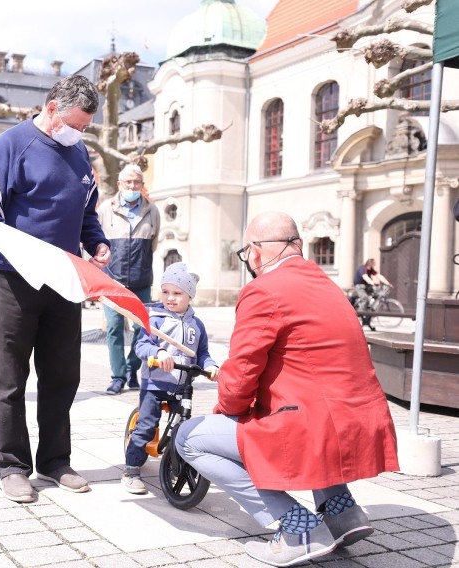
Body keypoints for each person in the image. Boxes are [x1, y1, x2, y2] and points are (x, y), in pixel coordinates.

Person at [175, 211, 399, 567]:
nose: (247, 261)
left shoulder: (263, 290)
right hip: (357, 418)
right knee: (306, 421)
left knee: (190, 437)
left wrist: (228, 414)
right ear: (298, 245)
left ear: (256, 252)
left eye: (245, 253)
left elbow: (241, 373)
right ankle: (343, 514)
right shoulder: (329, 286)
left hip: (311, 426)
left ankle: (297, 528)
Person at [0, 74, 111, 503]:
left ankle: (55, 461)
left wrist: (97, 241)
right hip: (15, 281)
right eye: (76, 124)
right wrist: (20, 260)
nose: (80, 133)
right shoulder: (11, 146)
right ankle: (12, 466)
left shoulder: (79, 152)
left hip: (64, 279)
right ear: (51, 109)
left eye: (86, 127)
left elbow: (86, 211)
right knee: (12, 378)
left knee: (62, 376)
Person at [122, 262, 218, 494]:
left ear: (190, 296)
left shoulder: (197, 325)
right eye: (165, 291)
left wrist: (210, 365)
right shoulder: (155, 318)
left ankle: (177, 461)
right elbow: (142, 345)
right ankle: (131, 469)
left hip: (182, 385)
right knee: (146, 426)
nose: (170, 298)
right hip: (155, 383)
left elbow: (202, 353)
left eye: (177, 293)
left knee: (183, 427)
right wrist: (158, 352)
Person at [98, 163, 161, 395]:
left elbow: (153, 244)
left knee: (142, 328)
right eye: (128, 182)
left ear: (142, 185)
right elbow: (98, 242)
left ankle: (131, 369)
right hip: (112, 281)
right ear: (119, 184)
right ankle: (117, 376)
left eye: (136, 182)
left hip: (141, 281)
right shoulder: (106, 209)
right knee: (114, 328)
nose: (132, 186)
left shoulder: (152, 211)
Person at [352, 258, 392, 331]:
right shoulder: (363, 268)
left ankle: (370, 310)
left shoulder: (371, 270)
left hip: (367, 286)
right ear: (370, 263)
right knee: (365, 298)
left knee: (377, 295)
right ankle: (360, 313)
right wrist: (373, 283)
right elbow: (365, 277)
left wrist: (388, 283)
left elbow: (379, 276)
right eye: (373, 263)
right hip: (359, 286)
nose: (374, 265)